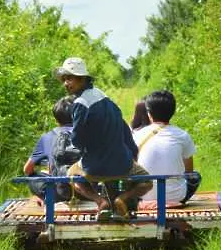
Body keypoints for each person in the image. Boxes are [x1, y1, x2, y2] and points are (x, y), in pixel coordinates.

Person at [54, 57, 152, 221]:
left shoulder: (80, 103)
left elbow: (77, 140)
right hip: (123, 165)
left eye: (70, 78)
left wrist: (82, 147)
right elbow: (125, 133)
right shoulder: (107, 100)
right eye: (64, 79)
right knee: (147, 181)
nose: (66, 83)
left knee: (71, 174)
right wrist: (132, 155)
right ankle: (123, 198)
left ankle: (100, 201)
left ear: (82, 79)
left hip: (95, 168)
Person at [134, 90, 201, 204]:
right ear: (173, 112)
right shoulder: (182, 135)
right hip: (176, 196)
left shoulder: (137, 135)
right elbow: (189, 172)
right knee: (196, 176)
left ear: (149, 114)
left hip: (144, 195)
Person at [23, 95, 77, 203]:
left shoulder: (47, 137)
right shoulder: (90, 134)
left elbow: (27, 169)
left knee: (32, 176)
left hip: (61, 193)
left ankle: (45, 198)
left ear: (56, 119)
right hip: (87, 191)